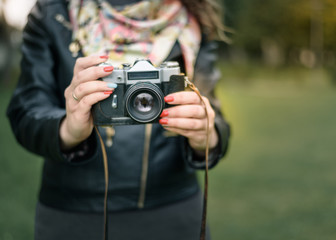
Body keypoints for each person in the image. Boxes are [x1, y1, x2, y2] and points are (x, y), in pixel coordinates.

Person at [7, 0, 230, 239]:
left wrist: (206, 133)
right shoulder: (53, 12)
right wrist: (67, 131)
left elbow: (213, 115)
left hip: (174, 207)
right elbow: (26, 111)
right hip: (75, 211)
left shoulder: (193, 18)